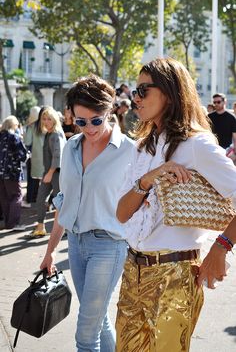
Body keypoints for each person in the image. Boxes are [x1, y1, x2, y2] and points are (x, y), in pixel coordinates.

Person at [115, 57, 236, 352]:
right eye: (135, 91)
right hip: (133, 270)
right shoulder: (144, 145)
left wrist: (220, 247)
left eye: (144, 90)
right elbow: (121, 214)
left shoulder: (197, 145)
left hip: (174, 275)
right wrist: (148, 179)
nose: (135, 98)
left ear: (168, 94)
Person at [39, 74, 134, 351]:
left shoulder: (130, 151)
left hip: (109, 246)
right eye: (81, 121)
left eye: (96, 120)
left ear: (109, 112)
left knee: (85, 333)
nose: (89, 128)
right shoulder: (70, 148)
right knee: (98, 320)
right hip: (76, 246)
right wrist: (50, 251)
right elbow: (64, 204)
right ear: (71, 117)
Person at [27, 106, 66, 238]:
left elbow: (57, 156)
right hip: (49, 172)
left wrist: (50, 172)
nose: (46, 121)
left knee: (60, 202)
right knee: (41, 199)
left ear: (54, 119)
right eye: (44, 118)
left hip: (56, 173)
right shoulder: (49, 133)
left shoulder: (55, 134)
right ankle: (40, 227)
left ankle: (64, 229)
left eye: (49, 119)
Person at [0, 116, 27, 230]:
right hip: (12, 172)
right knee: (16, 196)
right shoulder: (14, 137)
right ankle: (13, 223)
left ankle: (7, 222)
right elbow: (22, 156)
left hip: (0, 172)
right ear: (13, 125)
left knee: (4, 197)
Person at [22, 106, 44, 208]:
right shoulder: (46, 125)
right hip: (46, 157)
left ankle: (31, 199)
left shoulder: (31, 126)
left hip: (33, 157)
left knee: (32, 180)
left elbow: (27, 142)